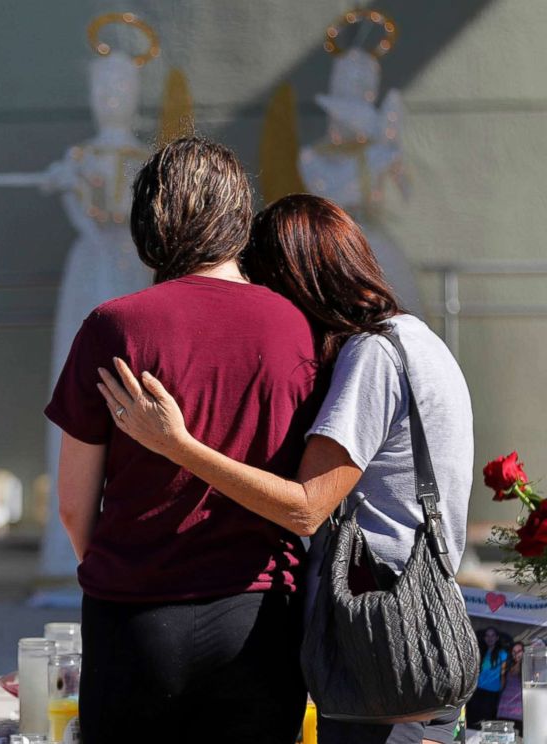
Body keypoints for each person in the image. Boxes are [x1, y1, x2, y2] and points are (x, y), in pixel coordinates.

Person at [96, 193, 473, 744]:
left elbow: (305, 506)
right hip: (417, 634)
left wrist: (176, 443)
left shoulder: (373, 356)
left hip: (377, 639)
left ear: (294, 281)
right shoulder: (420, 341)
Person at [44, 138, 322, 742]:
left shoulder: (114, 326)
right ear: (237, 219)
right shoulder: (293, 326)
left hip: (135, 612)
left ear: (149, 222)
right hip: (259, 615)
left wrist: (119, 569)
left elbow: (72, 504)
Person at [465, 626, 509, 727]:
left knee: (487, 721)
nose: (490, 638)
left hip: (492, 693)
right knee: (473, 719)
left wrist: (500, 690)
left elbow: (503, 673)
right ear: (484, 638)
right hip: (478, 690)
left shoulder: (502, 654)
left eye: (492, 635)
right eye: (487, 636)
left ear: (497, 638)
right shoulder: (481, 651)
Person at [496, 640, 523, 732]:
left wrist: (520, 662)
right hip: (505, 705)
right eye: (514, 651)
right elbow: (502, 686)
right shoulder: (507, 665)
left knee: (516, 734)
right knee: (503, 733)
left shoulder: (527, 665)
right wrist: (502, 673)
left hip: (518, 708)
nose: (516, 654)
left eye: (519, 651)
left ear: (523, 652)